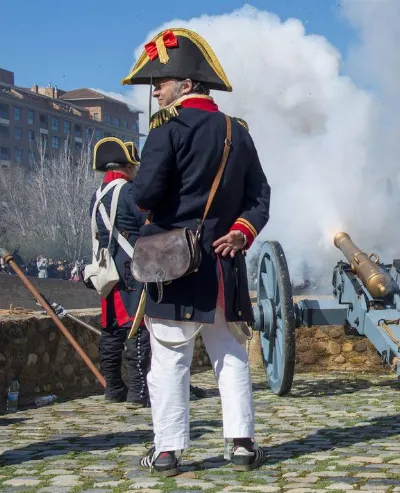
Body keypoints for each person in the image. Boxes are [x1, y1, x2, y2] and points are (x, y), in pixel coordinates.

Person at [122, 27, 271, 476]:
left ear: (187, 85)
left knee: (169, 359)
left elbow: (145, 195)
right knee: (230, 355)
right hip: (224, 266)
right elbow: (259, 196)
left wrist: (134, 197)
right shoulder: (236, 133)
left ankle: (167, 451)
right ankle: (242, 444)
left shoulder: (167, 130)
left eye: (161, 83)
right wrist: (242, 232)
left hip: (172, 263)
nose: (156, 91)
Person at [89, 138, 151, 407]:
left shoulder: (98, 194)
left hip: (108, 270)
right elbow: (147, 224)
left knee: (111, 330)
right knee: (137, 330)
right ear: (127, 166)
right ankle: (138, 392)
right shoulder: (129, 192)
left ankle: (114, 388)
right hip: (130, 271)